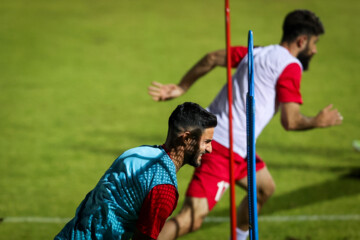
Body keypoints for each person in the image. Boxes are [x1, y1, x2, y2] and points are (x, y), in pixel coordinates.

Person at [148, 9, 343, 240]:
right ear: (302, 41)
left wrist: (182, 86)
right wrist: (317, 121)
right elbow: (290, 121)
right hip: (221, 146)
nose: (315, 50)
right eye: (314, 43)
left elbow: (211, 58)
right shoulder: (291, 67)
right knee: (192, 218)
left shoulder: (257, 51)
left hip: (239, 147)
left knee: (263, 188)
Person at [54, 102, 217, 240]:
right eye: (206, 142)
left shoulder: (137, 153)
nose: (210, 149)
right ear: (186, 138)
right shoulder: (164, 189)